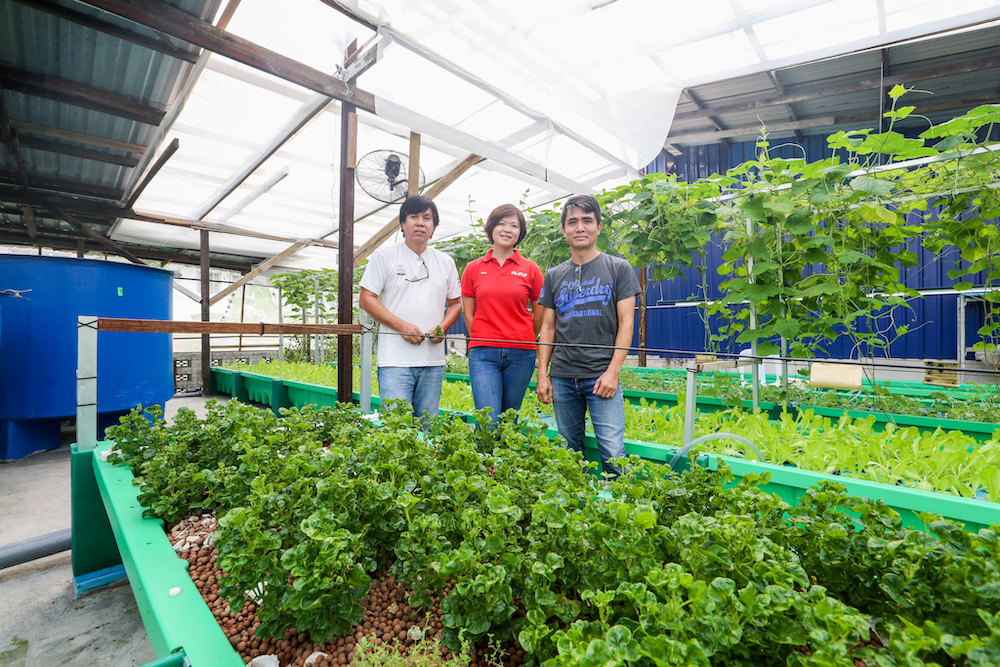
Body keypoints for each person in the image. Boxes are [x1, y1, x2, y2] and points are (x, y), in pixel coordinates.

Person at [536, 195, 641, 477]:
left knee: (612, 451)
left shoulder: (618, 268)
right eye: (572, 222)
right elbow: (548, 327)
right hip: (563, 375)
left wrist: (613, 372)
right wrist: (543, 374)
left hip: (600, 375)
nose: (579, 227)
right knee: (569, 450)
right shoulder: (555, 275)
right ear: (564, 231)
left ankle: (616, 507)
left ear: (598, 227)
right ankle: (574, 511)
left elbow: (626, 323)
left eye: (586, 220)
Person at [359, 195, 462, 423]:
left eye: (427, 218)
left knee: (427, 424)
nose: (420, 222)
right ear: (402, 223)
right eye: (413, 216)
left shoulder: (445, 262)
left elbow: (456, 304)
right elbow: (366, 298)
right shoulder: (384, 256)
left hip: (433, 362)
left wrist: (442, 327)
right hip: (395, 361)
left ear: (434, 226)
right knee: (396, 429)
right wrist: (401, 326)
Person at [461, 204, 544, 424]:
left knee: (509, 418)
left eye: (514, 225)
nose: (507, 229)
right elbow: (468, 313)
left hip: (521, 353)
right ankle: (486, 458)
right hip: (483, 354)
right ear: (491, 228)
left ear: (520, 232)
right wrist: (482, 335)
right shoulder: (473, 268)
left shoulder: (531, 269)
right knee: (488, 420)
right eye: (501, 223)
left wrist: (523, 335)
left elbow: (540, 314)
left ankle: (505, 458)